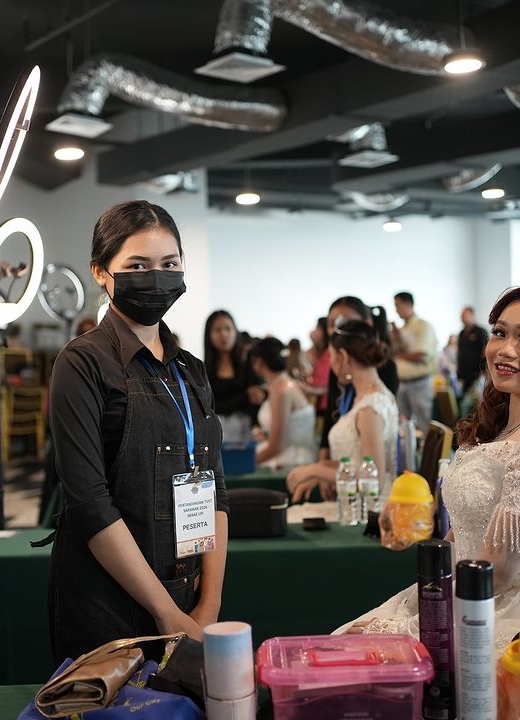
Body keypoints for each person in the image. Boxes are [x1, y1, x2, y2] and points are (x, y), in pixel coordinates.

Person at [345, 273, 520, 654]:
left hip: (509, 615)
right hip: (466, 591)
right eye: (500, 333)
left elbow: (498, 574)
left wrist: (413, 626)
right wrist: (421, 599)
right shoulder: (509, 427)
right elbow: (465, 533)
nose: (505, 349)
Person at [46, 200, 229, 661]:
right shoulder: (81, 363)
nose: (156, 277)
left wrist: (207, 605)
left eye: (169, 264)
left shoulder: (191, 370)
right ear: (100, 272)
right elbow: (89, 504)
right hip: (109, 605)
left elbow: (214, 491)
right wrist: (165, 612)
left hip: (189, 598)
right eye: (138, 266)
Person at [287, 321, 399, 502]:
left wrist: (315, 470)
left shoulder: (369, 408)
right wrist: (323, 469)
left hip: (367, 509)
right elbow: (357, 460)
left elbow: (374, 481)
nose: (330, 364)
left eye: (331, 356)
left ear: (344, 357)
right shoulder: (367, 397)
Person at [318, 297, 399, 461]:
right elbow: (330, 417)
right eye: (331, 323)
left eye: (344, 322)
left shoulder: (370, 405)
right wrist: (322, 465)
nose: (336, 329)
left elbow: (373, 470)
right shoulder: (361, 390)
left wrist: (318, 470)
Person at [250, 338, 317, 468]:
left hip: (288, 460)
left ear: (259, 362)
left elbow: (277, 447)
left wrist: (247, 462)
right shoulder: (285, 383)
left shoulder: (281, 391)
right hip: (289, 454)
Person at [203, 310, 259, 443]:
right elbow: (208, 407)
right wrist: (245, 397)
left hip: (250, 433)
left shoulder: (248, 363)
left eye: (228, 328)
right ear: (209, 335)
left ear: (235, 331)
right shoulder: (203, 369)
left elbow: (257, 398)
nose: (223, 334)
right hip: (218, 435)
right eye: (217, 330)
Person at [392, 292, 438, 429]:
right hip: (402, 383)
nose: (396, 310)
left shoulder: (423, 326)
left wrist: (398, 353)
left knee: (424, 425)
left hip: (419, 384)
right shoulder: (402, 329)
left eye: (397, 305)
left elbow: (421, 357)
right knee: (403, 425)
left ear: (408, 304)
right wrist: (396, 339)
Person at [457, 305, 490, 397]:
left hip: (477, 375)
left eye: (465, 316)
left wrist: (483, 372)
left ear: (472, 316)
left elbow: (485, 352)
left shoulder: (481, 332)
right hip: (463, 376)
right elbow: (459, 353)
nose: (463, 318)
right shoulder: (461, 334)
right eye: (462, 316)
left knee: (474, 401)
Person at [306, 317, 331, 412]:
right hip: (317, 404)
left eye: (317, 328)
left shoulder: (329, 355)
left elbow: (327, 386)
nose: (314, 331)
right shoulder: (319, 354)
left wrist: (309, 390)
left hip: (325, 406)